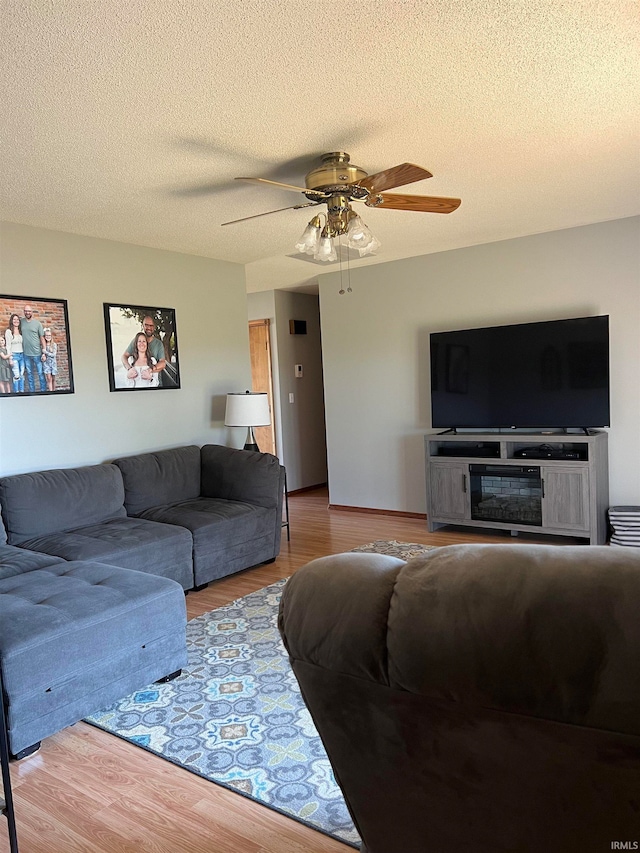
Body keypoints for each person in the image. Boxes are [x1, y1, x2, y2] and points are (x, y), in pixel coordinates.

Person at [121, 315, 166, 385]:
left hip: (155, 384)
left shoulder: (158, 344)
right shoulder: (135, 343)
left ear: (154, 327)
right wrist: (129, 369)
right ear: (143, 326)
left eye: (151, 325)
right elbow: (124, 356)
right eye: (146, 325)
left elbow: (163, 363)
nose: (149, 327)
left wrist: (150, 370)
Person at [20, 305, 46, 392]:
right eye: (26, 311)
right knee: (29, 374)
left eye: (29, 311)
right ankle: (32, 392)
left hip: (37, 353)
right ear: (24, 312)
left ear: (32, 312)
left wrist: (44, 352)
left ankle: (43, 391)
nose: (27, 312)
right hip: (26, 354)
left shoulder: (37, 324)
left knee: (40, 373)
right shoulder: (21, 322)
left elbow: (42, 338)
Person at [5, 313, 25, 393]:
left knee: (22, 375)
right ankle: (17, 392)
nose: (16, 321)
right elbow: (8, 346)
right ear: (11, 321)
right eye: (14, 319)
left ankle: (22, 391)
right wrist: (10, 358)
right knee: (16, 375)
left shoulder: (21, 331)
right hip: (14, 355)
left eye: (17, 319)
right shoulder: (9, 331)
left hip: (22, 355)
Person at [43, 327, 58, 391]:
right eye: (46, 335)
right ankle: (50, 391)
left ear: (51, 336)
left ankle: (54, 390)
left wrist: (45, 352)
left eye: (49, 335)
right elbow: (42, 353)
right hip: (46, 364)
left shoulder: (54, 345)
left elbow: (53, 355)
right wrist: (43, 356)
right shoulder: (44, 345)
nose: (48, 337)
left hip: (53, 363)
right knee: (49, 378)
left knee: (53, 378)